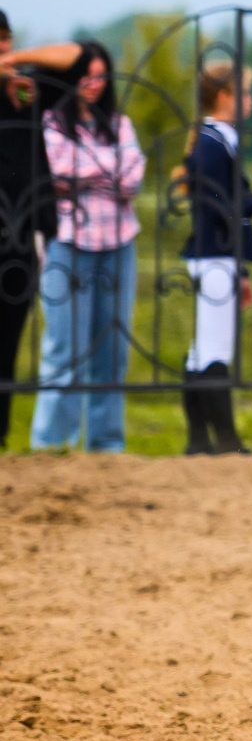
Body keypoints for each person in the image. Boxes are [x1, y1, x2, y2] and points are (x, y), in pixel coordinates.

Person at [32, 42, 144, 452]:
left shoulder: (120, 123)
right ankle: (51, 444)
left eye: (100, 76)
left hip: (119, 244)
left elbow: (133, 178)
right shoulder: (51, 122)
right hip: (68, 243)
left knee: (111, 352)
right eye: (86, 75)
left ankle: (106, 445)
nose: (94, 84)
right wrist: (108, 168)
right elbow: (60, 169)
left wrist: (88, 170)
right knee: (65, 350)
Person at [180, 60, 252, 456]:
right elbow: (221, 205)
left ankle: (200, 439)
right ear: (224, 96)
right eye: (243, 92)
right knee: (213, 348)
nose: (249, 100)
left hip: (216, 254)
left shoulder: (216, 140)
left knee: (202, 348)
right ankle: (223, 440)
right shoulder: (214, 142)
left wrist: (240, 268)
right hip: (213, 255)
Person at [0, 17, 79, 445]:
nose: (4, 52)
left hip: (23, 232)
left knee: (9, 337)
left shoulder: (26, 87)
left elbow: (75, 58)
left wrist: (16, 62)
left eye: (6, 42)